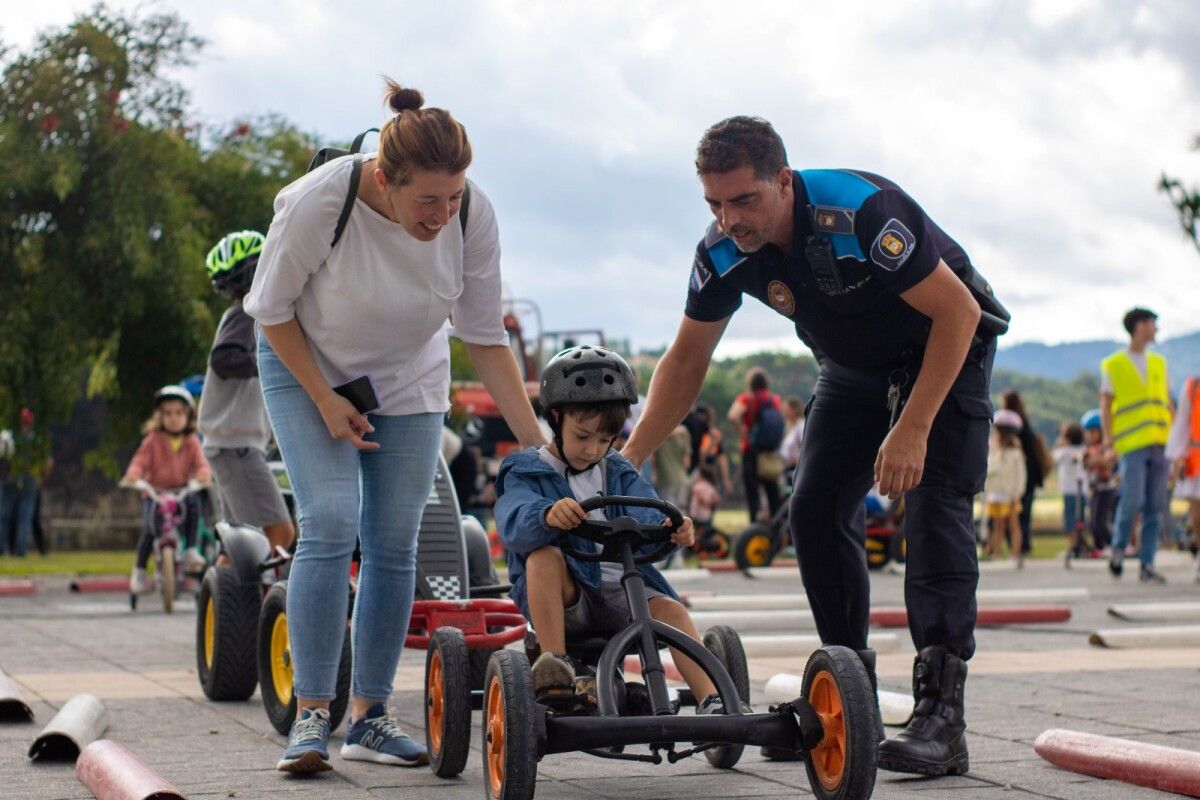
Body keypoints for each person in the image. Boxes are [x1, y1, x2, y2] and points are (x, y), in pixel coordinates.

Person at [622, 116, 1010, 776]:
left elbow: (959, 313)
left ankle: (942, 717)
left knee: (933, 506)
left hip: (942, 350)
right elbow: (686, 361)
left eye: (744, 200)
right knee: (812, 509)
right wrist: (629, 458)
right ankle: (845, 699)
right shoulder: (721, 250)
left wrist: (912, 427)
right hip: (851, 367)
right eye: (714, 204)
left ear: (783, 181)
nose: (729, 219)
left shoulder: (858, 212)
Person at [243, 80, 545, 774]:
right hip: (304, 364)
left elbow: (482, 336)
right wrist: (322, 397)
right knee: (329, 519)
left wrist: (535, 442)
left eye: (454, 197)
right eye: (427, 201)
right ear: (385, 177)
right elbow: (271, 307)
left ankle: (370, 718)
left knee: (392, 540)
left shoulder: (473, 215)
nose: (442, 215)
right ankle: (312, 714)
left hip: (407, 376)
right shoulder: (325, 198)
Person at [493, 346, 730, 714]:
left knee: (671, 609)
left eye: (605, 440)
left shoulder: (616, 470)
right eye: (583, 436)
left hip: (623, 589)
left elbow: (648, 508)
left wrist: (672, 529)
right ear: (556, 417)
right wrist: (546, 515)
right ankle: (555, 664)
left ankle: (714, 701)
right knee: (542, 557)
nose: (593, 450)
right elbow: (512, 519)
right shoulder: (527, 469)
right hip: (569, 598)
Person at [198, 230, 296, 568]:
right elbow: (224, 358)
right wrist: (272, 366)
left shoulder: (240, 314)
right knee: (279, 532)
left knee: (241, 538)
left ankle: (231, 609)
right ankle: (251, 607)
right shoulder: (246, 314)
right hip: (237, 444)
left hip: (232, 444)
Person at [1100, 308, 1173, 583]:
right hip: (1131, 444)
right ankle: (1118, 549)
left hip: (1161, 443)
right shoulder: (1114, 364)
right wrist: (1108, 441)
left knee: (1155, 505)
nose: (1156, 329)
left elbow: (1168, 402)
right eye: (1153, 324)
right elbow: (1105, 404)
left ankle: (1147, 563)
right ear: (1138, 326)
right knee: (1132, 500)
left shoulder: (1159, 363)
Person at [121, 387, 211, 592]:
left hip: (181, 492)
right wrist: (134, 475)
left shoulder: (191, 441)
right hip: (155, 492)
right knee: (150, 528)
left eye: (178, 413)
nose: (173, 418)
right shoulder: (153, 440)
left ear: (187, 416)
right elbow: (139, 461)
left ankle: (189, 550)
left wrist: (202, 474)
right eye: (168, 413)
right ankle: (140, 572)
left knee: (194, 505)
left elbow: (201, 464)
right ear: (160, 416)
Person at [727, 368, 784, 522]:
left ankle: (755, 525)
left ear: (750, 383)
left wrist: (742, 432)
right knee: (772, 491)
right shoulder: (775, 400)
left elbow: (732, 416)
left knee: (753, 492)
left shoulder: (746, 399)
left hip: (751, 450)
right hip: (770, 452)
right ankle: (777, 528)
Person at [1000, 389, 1047, 559]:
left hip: (1014, 478)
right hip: (1030, 478)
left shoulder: (1009, 427)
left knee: (1010, 514)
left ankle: (1016, 547)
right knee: (1024, 515)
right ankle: (1023, 546)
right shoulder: (1026, 425)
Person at [0, 408, 52, 556]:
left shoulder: (9, 438)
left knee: (4, 516)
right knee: (25, 517)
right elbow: (47, 462)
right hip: (29, 478)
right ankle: (20, 550)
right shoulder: (36, 439)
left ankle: (1, 547)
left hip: (10, 476)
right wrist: (41, 479)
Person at [1166, 374, 1200, 581]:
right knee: (1197, 516)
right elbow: (1181, 423)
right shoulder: (1193, 386)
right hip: (1196, 461)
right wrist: (1176, 456)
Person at [983, 410, 1026, 566]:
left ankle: (1015, 554)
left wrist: (1016, 494)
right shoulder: (993, 450)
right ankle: (996, 553)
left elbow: (1020, 476)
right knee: (997, 525)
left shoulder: (1015, 453)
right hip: (995, 494)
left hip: (1009, 495)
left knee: (1013, 525)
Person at [1080, 409, 1117, 554]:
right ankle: (1098, 547)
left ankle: (1113, 544)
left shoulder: (1106, 448)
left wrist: (1093, 458)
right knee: (1092, 521)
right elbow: (1086, 466)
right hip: (1094, 489)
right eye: (1087, 432)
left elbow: (1108, 463)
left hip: (1106, 489)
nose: (1090, 435)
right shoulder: (1089, 449)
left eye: (1093, 432)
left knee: (1100, 520)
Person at [1053, 422, 1089, 557]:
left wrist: (1059, 446)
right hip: (1082, 490)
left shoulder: (1063, 452)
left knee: (1069, 520)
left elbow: (1052, 459)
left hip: (1068, 491)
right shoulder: (1083, 450)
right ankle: (1080, 546)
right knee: (1080, 519)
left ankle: (1073, 546)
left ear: (1067, 439)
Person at [779, 396, 807, 483]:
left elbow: (805, 447)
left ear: (794, 409)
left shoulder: (801, 426)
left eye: (787, 409)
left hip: (796, 469)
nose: (784, 412)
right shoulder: (790, 427)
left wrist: (797, 459)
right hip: (788, 469)